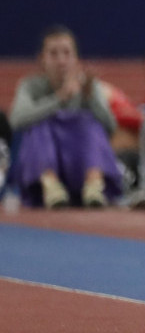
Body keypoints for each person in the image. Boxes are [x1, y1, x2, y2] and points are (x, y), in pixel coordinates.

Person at [9, 26, 122, 208]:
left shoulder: (88, 86)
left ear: (76, 58)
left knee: (90, 122)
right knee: (38, 125)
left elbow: (110, 127)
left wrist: (91, 99)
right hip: (42, 178)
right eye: (53, 54)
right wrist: (60, 98)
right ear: (42, 59)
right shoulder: (29, 86)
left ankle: (94, 188)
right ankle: (52, 188)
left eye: (67, 53)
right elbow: (16, 120)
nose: (61, 60)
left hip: (80, 170)